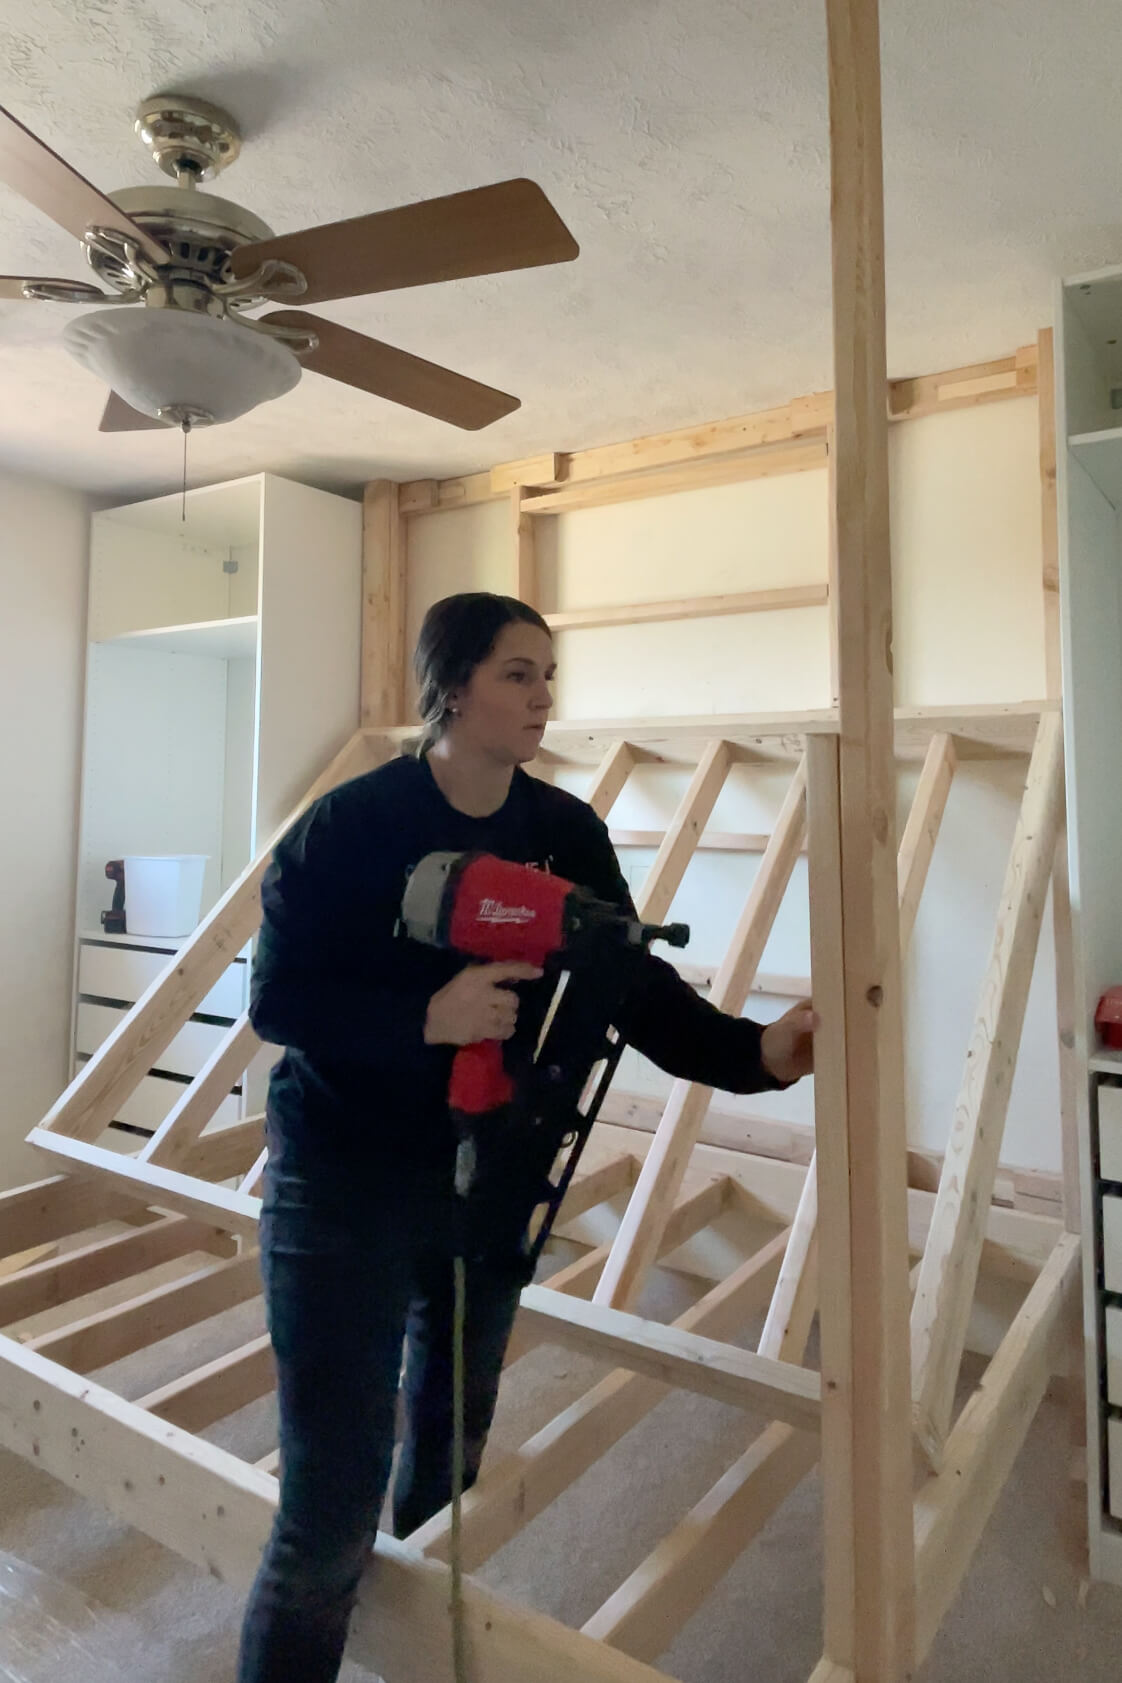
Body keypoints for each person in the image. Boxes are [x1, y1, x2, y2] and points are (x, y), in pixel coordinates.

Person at [236, 591, 816, 1683]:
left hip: (490, 1181)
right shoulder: (348, 828)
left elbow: (628, 980)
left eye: (549, 674)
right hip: (341, 1191)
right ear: (452, 686)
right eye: (518, 673)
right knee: (326, 1515)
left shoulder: (564, 834)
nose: (545, 696)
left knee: (448, 1471)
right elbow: (277, 1002)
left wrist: (758, 1055)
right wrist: (425, 1018)